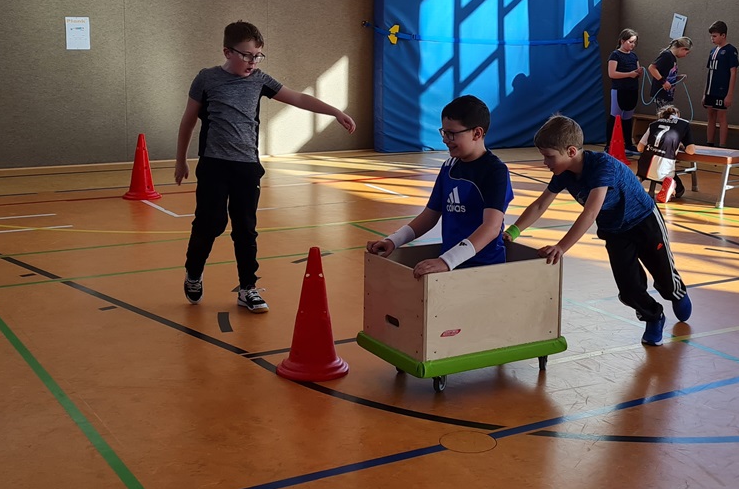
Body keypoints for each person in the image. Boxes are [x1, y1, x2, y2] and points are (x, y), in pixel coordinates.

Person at [175, 20, 356, 311]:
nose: (253, 61)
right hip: (214, 165)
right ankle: (193, 273)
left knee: (245, 228)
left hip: (247, 166)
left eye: (258, 55)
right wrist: (181, 159)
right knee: (211, 223)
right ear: (227, 52)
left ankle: (248, 288)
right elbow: (188, 121)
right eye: (247, 55)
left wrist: (335, 111)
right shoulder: (207, 79)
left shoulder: (259, 80)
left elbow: (297, 97)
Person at [505, 114, 691, 346]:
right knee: (629, 289)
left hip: (645, 222)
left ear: (571, 151)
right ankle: (654, 317)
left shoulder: (603, 166)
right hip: (615, 231)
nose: (545, 162)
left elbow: (590, 212)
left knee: (664, 278)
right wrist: (513, 231)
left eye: (549, 156)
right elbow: (540, 205)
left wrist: (561, 247)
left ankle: (676, 292)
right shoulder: (562, 174)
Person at [366, 95, 512, 277]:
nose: (445, 140)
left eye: (452, 134)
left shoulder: (495, 171)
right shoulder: (449, 167)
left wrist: (447, 261)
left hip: (485, 268)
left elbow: (491, 227)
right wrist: (393, 240)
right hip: (451, 266)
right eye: (444, 132)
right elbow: (429, 216)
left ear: (477, 133)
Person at [635, 104, 694, 203]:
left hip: (645, 166)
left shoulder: (653, 124)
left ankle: (637, 180)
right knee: (680, 191)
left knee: (643, 172)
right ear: (678, 115)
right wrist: (680, 146)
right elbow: (691, 150)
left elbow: (639, 148)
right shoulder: (684, 124)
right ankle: (673, 187)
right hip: (664, 168)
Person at [703, 21, 739, 148]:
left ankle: (722, 145)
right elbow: (709, 72)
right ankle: (709, 144)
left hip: (722, 90)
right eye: (711, 36)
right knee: (710, 115)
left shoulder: (730, 50)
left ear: (723, 35)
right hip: (710, 90)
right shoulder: (713, 51)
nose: (712, 39)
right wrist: (705, 93)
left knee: (721, 116)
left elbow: (733, 72)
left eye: (715, 36)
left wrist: (729, 94)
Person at [607, 28, 642, 153]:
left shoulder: (634, 56)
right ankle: (609, 144)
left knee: (627, 118)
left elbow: (636, 71)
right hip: (619, 89)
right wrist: (629, 74)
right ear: (622, 41)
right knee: (615, 117)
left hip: (632, 89)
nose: (632, 45)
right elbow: (612, 73)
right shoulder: (615, 55)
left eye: (634, 42)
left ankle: (628, 144)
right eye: (630, 42)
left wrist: (638, 73)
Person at [646, 37, 692, 107]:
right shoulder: (667, 55)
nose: (685, 55)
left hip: (667, 94)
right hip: (661, 93)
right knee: (664, 113)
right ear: (682, 49)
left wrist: (677, 78)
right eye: (687, 53)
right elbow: (652, 68)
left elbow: (667, 74)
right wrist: (663, 82)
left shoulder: (673, 58)